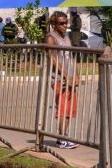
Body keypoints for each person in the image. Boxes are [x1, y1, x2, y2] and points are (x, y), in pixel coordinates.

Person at [45, 11, 79, 149]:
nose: (65, 25)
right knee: (63, 109)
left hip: (70, 78)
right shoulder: (51, 38)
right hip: (59, 79)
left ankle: (64, 136)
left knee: (69, 109)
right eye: (62, 23)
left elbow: (70, 57)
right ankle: (60, 139)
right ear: (54, 24)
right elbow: (52, 59)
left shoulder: (66, 37)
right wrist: (65, 76)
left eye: (66, 22)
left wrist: (76, 75)